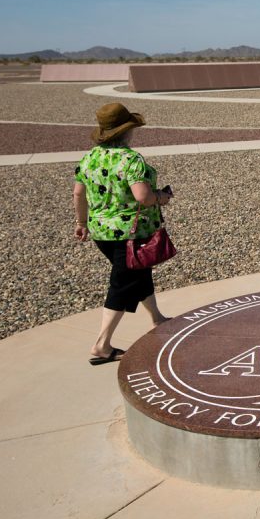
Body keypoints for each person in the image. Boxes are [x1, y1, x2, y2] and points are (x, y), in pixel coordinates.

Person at [73, 103, 172, 366]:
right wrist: (161, 197)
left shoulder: (89, 158)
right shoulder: (131, 160)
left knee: (138, 273)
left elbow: (78, 193)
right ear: (127, 131)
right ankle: (102, 345)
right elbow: (143, 196)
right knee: (122, 285)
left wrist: (81, 221)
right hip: (131, 234)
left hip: (101, 233)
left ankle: (157, 318)